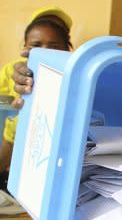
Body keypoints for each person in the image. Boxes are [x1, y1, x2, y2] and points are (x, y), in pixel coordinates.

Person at [0, 17, 72, 184]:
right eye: (36, 46)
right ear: (25, 48)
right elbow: (10, 137)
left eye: (54, 46)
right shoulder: (16, 71)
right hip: (15, 140)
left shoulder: (74, 77)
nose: (45, 52)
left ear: (67, 49)